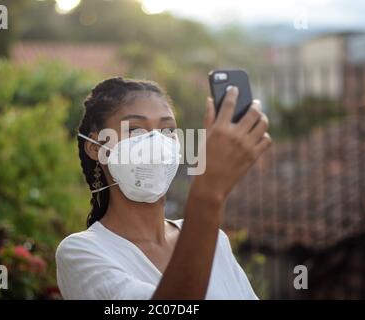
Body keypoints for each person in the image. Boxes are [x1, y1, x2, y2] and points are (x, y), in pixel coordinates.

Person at [56, 77, 272, 299]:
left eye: (168, 130)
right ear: (95, 147)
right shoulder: (82, 252)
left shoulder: (215, 241)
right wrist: (207, 195)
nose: (156, 143)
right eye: (135, 130)